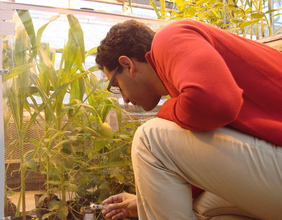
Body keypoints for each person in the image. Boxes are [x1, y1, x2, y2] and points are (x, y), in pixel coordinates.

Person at [95, 19, 282, 220]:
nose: (124, 98)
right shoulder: (184, 85)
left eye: (116, 84)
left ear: (127, 64)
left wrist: (166, 111)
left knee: (149, 139)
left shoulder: (170, 37)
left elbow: (217, 103)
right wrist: (146, 200)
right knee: (201, 208)